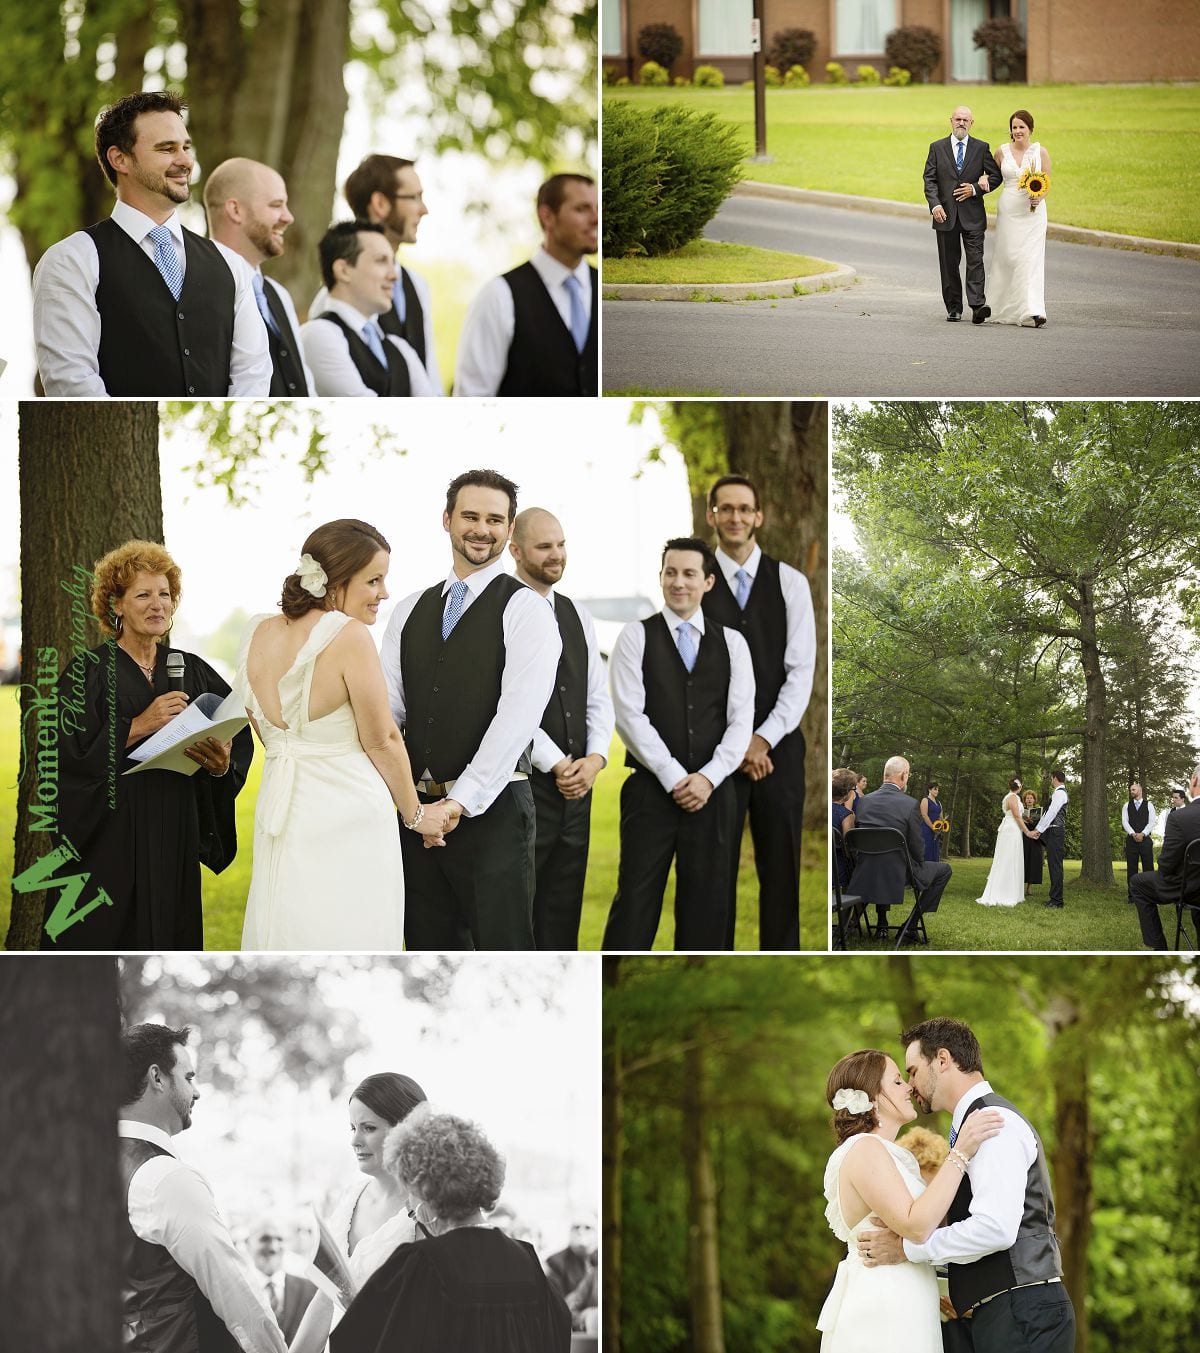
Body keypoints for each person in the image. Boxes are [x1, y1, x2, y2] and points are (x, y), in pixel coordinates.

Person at [234, 520, 454, 949]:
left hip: (280, 807)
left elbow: (267, 733)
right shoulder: (349, 636)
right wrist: (416, 815)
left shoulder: (256, 632)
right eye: (374, 580)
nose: (384, 593)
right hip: (349, 813)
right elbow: (383, 739)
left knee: (286, 921)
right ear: (335, 582)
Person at [380, 470, 562, 949]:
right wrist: (413, 808)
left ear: (509, 528)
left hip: (496, 816)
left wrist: (458, 803)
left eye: (495, 520)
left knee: (505, 952)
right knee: (425, 948)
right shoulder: (408, 610)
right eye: (470, 516)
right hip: (416, 818)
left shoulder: (526, 610)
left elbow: (517, 720)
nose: (482, 529)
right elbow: (389, 714)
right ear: (447, 520)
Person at [46, 540, 252, 951]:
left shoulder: (191, 669)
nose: (158, 604)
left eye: (164, 594)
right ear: (116, 605)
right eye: (143, 595)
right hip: (110, 833)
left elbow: (236, 732)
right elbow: (60, 759)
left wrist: (220, 763)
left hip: (174, 824)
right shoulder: (86, 674)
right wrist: (137, 725)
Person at [858, 1018, 1077, 1353]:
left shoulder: (991, 1125)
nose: (910, 1086)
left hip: (1023, 1313)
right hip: (1010, 1312)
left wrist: (906, 1249)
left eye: (913, 1071)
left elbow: (995, 1229)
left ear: (943, 1060)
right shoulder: (972, 1127)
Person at [32, 91, 271, 397]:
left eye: (186, 147)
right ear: (120, 159)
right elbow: (71, 381)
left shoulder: (230, 263)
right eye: (166, 149)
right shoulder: (71, 260)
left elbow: (253, 373)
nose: (185, 161)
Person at [602, 537, 754, 950]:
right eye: (671, 572)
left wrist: (706, 779)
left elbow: (741, 723)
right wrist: (673, 777)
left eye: (689, 574)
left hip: (714, 795)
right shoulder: (635, 637)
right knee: (634, 902)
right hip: (649, 794)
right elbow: (629, 716)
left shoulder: (734, 644)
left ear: (708, 582)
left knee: (709, 908)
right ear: (661, 577)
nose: (678, 582)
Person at [330, 1109, 572, 1352]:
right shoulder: (527, 1259)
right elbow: (557, 1337)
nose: (408, 1204)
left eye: (409, 1190)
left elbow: (354, 1341)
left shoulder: (421, 1263)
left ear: (426, 1189)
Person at [816, 1047, 1003, 1351]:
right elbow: (916, 1226)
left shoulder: (892, 1156)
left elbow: (929, 1230)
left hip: (908, 1297)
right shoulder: (865, 1149)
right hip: (884, 1302)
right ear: (873, 1096)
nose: (909, 1087)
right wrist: (960, 1153)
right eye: (897, 1082)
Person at [118, 1024, 288, 1353]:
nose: (197, 1093)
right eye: (189, 1077)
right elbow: (236, 1291)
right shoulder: (164, 1177)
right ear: (157, 1078)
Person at [701, 474, 816, 950]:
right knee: (713, 875)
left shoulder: (790, 582)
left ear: (758, 517)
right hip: (712, 752)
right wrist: (735, 744)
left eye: (744, 509)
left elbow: (800, 670)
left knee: (782, 874)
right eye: (725, 508)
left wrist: (761, 739)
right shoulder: (696, 579)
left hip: (778, 750)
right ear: (712, 515)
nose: (735, 517)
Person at [509, 507, 615, 949]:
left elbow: (596, 695)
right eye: (544, 546)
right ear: (515, 551)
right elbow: (506, 705)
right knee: (523, 913)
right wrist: (557, 763)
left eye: (561, 544)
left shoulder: (577, 615)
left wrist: (594, 760)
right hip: (526, 788)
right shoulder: (502, 612)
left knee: (564, 911)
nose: (556, 555)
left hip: (579, 791)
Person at [289, 1073, 427, 1353]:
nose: (355, 1140)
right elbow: (326, 1297)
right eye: (352, 1127)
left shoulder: (428, 1210)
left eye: (368, 1128)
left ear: (405, 1131)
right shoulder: (350, 1197)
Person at [309, 154, 443, 393]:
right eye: (414, 197)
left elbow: (430, 373)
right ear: (380, 204)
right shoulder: (330, 306)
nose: (424, 210)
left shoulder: (418, 286)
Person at [454, 173, 597, 396]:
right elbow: (472, 397)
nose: (596, 219)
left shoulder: (603, 288)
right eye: (581, 209)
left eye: (597, 208)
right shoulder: (499, 296)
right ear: (547, 216)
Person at [204, 157, 314, 396]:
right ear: (236, 210)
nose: (288, 217)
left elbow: (305, 381)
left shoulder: (279, 295)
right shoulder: (198, 287)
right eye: (276, 205)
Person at [300, 222, 433, 396]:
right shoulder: (318, 334)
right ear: (343, 270)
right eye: (380, 261)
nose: (394, 276)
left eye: (393, 263)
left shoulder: (399, 347)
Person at [850, 756, 954, 932]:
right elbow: (916, 846)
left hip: (865, 869)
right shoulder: (910, 804)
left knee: (882, 860)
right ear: (904, 775)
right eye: (909, 775)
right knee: (944, 871)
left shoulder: (863, 801)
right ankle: (910, 927)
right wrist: (919, 862)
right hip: (898, 872)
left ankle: (861, 923)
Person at [922, 105, 1002, 324]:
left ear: (972, 123)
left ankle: (977, 306)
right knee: (949, 263)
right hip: (945, 216)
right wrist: (935, 205)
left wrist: (976, 188)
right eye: (958, 119)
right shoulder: (936, 148)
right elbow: (930, 180)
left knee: (975, 261)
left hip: (973, 215)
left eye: (966, 120)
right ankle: (954, 307)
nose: (961, 123)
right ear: (951, 121)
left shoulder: (981, 147)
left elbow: (995, 176)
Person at [986, 109, 1051, 328]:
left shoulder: (1040, 152)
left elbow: (1047, 182)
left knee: (1029, 260)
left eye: (1022, 127)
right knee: (1008, 258)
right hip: (1009, 211)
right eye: (1014, 127)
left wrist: (1038, 197)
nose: (1017, 131)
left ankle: (1033, 310)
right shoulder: (1001, 152)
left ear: (1030, 129)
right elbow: (993, 177)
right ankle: (1002, 305)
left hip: (1033, 215)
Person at [1128, 763, 1200, 949]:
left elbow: (1166, 864)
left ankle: (1159, 949)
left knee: (1138, 883)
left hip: (1189, 888)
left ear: (1194, 781)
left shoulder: (1181, 817)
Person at [247, 1217, 317, 1343]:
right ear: (248, 1244)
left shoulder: (311, 1289)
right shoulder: (240, 1291)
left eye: (280, 1239)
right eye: (265, 1239)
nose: (274, 1247)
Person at [976, 777, 1033, 908]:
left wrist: (1026, 821)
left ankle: (1010, 891)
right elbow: (1016, 816)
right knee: (1007, 859)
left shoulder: (1012, 797)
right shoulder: (1012, 797)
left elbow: (1016, 816)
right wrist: (1027, 832)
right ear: (1020, 786)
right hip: (1011, 830)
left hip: (1013, 828)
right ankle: (1004, 892)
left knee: (1011, 858)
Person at [544, 1214, 598, 1332]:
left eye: (587, 1227)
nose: (581, 1232)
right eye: (576, 1227)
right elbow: (556, 1308)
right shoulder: (555, 1262)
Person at [1029, 769, 1068, 909]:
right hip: (1052, 830)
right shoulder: (1058, 793)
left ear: (1055, 778)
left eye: (1052, 778)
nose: (1051, 781)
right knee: (1053, 865)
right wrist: (1039, 830)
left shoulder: (1059, 794)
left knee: (1055, 865)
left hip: (1055, 831)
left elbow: (1051, 813)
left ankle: (1057, 901)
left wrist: (1038, 830)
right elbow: (1047, 815)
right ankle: (1054, 898)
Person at [1121, 779, 1157, 899]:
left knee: (1148, 868)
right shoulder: (1127, 805)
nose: (1131, 791)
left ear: (1140, 790)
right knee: (1132, 868)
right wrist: (1132, 833)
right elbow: (1124, 822)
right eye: (1130, 790)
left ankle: (1150, 895)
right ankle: (1132, 896)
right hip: (1131, 841)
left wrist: (1143, 833)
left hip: (1145, 840)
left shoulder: (1149, 805)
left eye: (1133, 789)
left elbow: (1152, 822)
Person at [832, 768, 858, 889]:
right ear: (847, 792)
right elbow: (849, 848)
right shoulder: (847, 815)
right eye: (854, 789)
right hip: (839, 870)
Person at [1021, 789, 1044, 897]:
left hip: (1035, 840)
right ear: (1024, 800)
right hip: (1024, 838)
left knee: (1033, 862)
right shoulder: (1021, 811)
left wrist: (1033, 822)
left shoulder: (1039, 812)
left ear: (1034, 800)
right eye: (1027, 798)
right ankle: (1020, 886)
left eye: (1031, 798)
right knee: (1023, 861)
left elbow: (1042, 826)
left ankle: (1029, 887)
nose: (1029, 800)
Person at [919, 783, 943, 863]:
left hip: (936, 831)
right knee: (927, 849)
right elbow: (924, 815)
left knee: (935, 850)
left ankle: (935, 871)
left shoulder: (939, 803)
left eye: (938, 789)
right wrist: (933, 827)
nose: (937, 791)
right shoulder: (925, 800)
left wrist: (940, 827)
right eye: (935, 789)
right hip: (926, 829)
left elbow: (941, 817)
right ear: (929, 790)